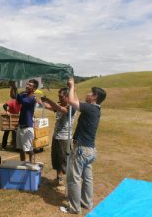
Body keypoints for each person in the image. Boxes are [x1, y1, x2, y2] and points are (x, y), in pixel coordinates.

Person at [60, 78, 106, 214]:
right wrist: (73, 90)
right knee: (87, 178)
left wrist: (72, 86)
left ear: (94, 96)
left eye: (90, 92)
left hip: (81, 149)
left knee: (73, 178)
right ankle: (86, 203)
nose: (87, 94)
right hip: (90, 150)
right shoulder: (95, 109)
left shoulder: (91, 108)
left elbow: (72, 102)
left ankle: (74, 208)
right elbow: (77, 103)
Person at [40, 88, 76, 187]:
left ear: (67, 97)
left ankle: (70, 184)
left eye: (60, 96)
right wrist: (37, 100)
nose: (59, 97)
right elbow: (49, 107)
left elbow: (61, 109)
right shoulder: (59, 105)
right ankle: (59, 179)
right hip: (56, 137)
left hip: (64, 138)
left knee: (65, 161)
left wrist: (48, 100)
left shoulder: (71, 107)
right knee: (56, 159)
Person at [9, 79, 39, 163]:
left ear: (34, 89)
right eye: (27, 84)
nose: (27, 86)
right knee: (21, 149)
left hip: (27, 128)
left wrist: (15, 87)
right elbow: (13, 96)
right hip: (20, 126)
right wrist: (12, 87)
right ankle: (23, 165)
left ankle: (32, 166)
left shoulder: (32, 98)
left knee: (29, 150)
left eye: (30, 85)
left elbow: (21, 100)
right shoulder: (24, 95)